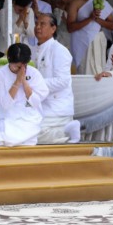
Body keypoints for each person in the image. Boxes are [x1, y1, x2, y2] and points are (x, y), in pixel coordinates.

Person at [33, 13, 79, 144]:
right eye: (36, 23)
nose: (38, 27)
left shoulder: (59, 50)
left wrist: (34, 84)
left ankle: (65, 131)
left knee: (32, 133)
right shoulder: (35, 49)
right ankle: (65, 131)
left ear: (53, 29)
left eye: (42, 24)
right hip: (42, 106)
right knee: (24, 128)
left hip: (57, 108)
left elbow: (62, 81)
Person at [0, 43, 49, 147]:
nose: (22, 69)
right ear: (9, 61)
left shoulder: (34, 73)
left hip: (29, 116)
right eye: (18, 66)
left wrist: (24, 81)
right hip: (7, 117)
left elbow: (36, 102)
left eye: (25, 65)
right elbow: (5, 104)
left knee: (28, 142)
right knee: (5, 141)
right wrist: (17, 82)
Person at [67, 0, 113, 73]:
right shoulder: (75, 3)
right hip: (81, 41)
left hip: (97, 40)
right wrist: (90, 18)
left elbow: (112, 26)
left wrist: (97, 19)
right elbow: (70, 27)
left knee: (97, 70)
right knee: (83, 70)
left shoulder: (101, 2)